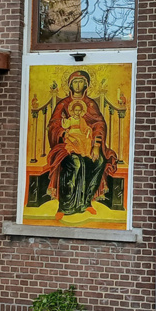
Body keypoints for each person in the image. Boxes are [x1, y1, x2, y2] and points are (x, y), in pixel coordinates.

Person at [45, 71, 118, 219]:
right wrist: (65, 134)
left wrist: (96, 146)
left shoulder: (91, 104)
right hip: (66, 145)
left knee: (99, 162)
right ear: (70, 84)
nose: (78, 85)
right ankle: (64, 206)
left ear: (86, 84)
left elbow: (99, 124)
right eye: (75, 82)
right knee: (76, 164)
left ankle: (86, 202)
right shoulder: (63, 104)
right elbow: (54, 125)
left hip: (87, 144)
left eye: (81, 82)